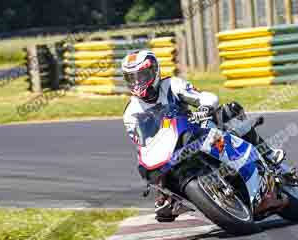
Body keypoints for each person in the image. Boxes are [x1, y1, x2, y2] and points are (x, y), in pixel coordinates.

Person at [121, 50, 286, 222]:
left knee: (229, 111)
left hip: (194, 129)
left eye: (142, 75)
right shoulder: (130, 112)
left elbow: (203, 97)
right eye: (132, 78)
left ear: (154, 71)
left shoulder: (171, 85)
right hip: (170, 150)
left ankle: (267, 153)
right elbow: (143, 143)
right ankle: (172, 195)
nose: (137, 82)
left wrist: (204, 107)